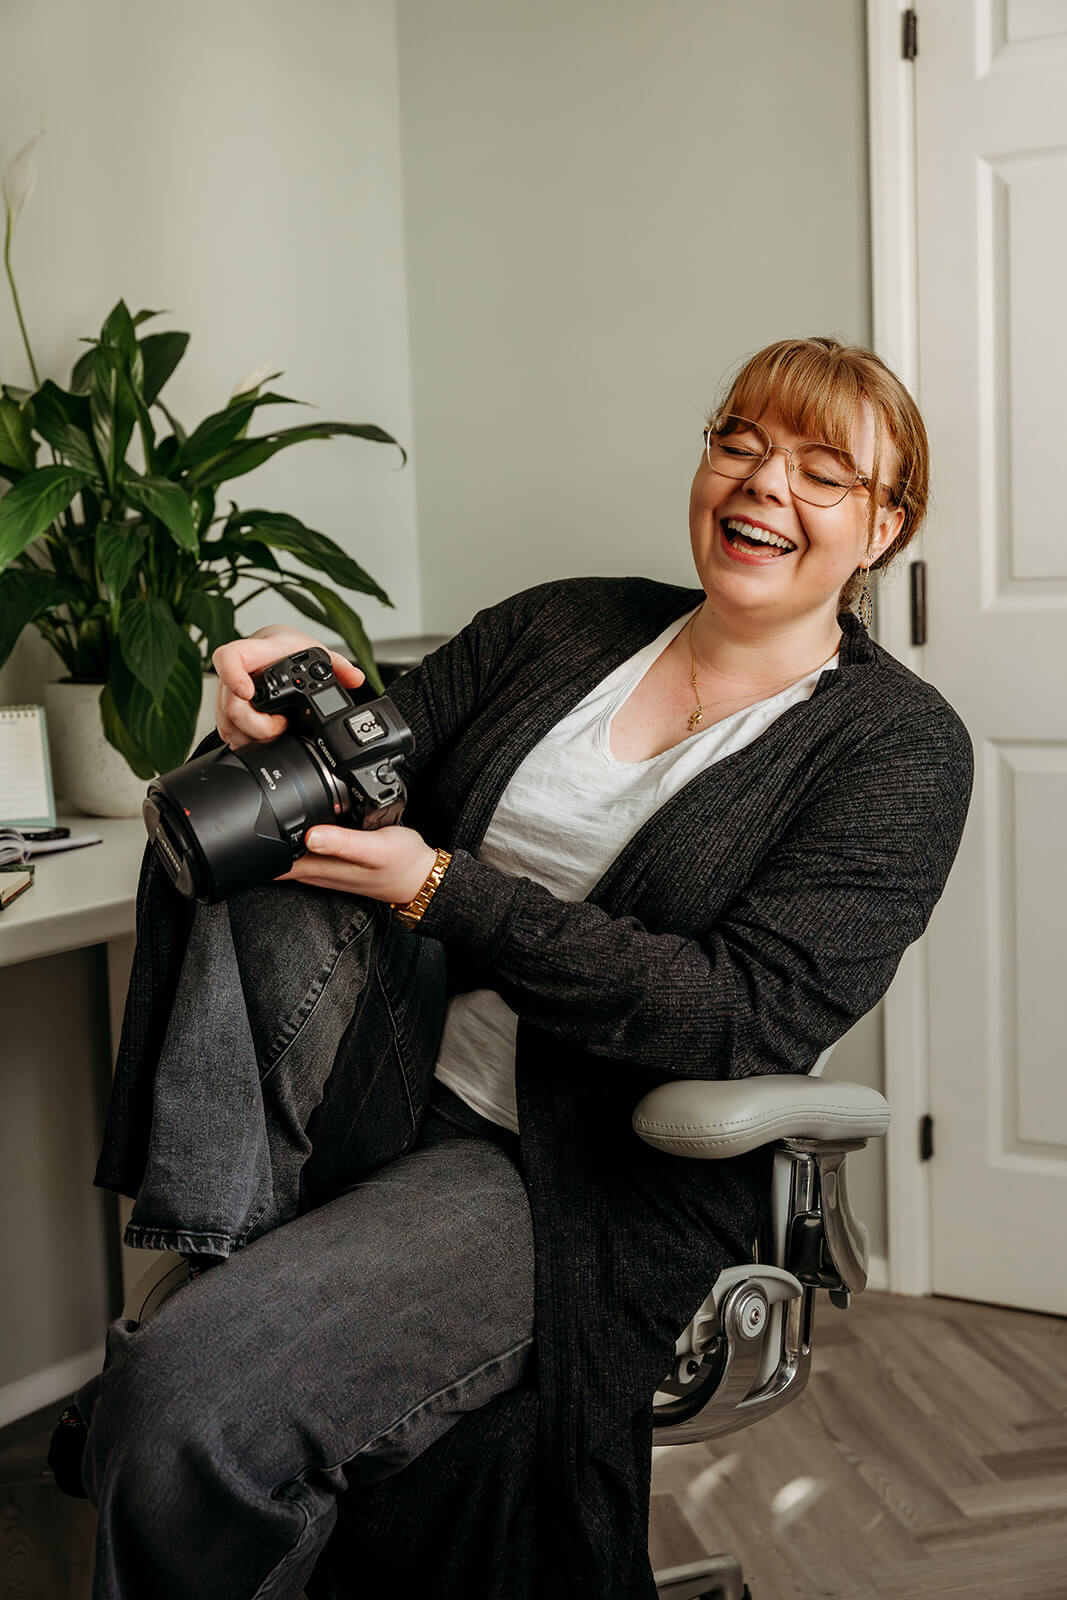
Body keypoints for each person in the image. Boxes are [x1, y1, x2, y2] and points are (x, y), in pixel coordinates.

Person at [65, 337, 973, 1600]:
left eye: (823, 473)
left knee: (175, 1402)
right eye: (739, 444)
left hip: (576, 1165)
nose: (764, 484)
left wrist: (444, 887)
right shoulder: (567, 622)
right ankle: (232, 1238)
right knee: (257, 824)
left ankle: (231, 1316)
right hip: (379, 1088)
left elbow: (735, 1013)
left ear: (882, 527)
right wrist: (283, 710)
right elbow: (376, 757)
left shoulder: (896, 751)